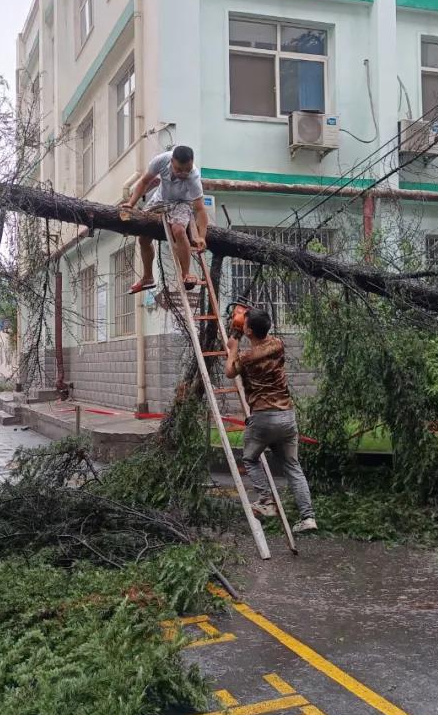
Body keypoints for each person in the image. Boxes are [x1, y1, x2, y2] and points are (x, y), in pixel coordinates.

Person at [225, 307, 317, 534]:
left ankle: (266, 501)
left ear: (248, 331)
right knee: (293, 466)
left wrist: (232, 348)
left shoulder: (245, 359)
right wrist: (244, 328)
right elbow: (259, 337)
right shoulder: (278, 345)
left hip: (263, 417)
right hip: (287, 416)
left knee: (250, 458)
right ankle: (308, 517)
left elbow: (229, 371)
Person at [121, 145, 208, 293]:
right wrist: (131, 203)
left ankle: (185, 273)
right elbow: (144, 181)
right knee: (143, 238)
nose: (183, 173)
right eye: (179, 169)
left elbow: (199, 209)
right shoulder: (161, 161)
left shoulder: (193, 177)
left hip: (182, 202)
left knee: (179, 230)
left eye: (187, 169)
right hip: (161, 199)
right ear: (172, 161)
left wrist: (201, 237)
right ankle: (148, 278)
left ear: (191, 163)